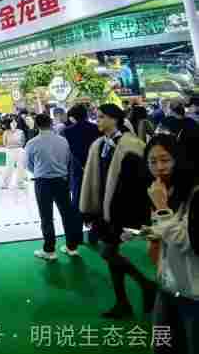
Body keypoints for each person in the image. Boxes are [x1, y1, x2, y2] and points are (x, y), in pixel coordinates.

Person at [80, 104, 157, 319]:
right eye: (97, 116)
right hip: (104, 211)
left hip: (123, 212)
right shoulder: (99, 145)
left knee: (108, 253)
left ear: (114, 119)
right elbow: (94, 179)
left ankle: (146, 286)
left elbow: (138, 186)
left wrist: (130, 218)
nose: (97, 120)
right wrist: (91, 209)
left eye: (101, 117)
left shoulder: (132, 146)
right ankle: (124, 302)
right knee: (111, 255)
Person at [143, 134, 199, 353]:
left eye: (165, 160)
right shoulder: (166, 189)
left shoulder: (194, 193)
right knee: (162, 344)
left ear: (178, 159)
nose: (159, 167)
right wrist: (153, 232)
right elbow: (170, 230)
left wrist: (161, 208)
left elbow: (188, 241)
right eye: (152, 161)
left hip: (193, 291)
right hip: (168, 284)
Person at [25, 114, 83, 261]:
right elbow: (67, 160)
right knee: (67, 214)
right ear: (51, 124)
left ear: (36, 125)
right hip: (61, 181)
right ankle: (72, 247)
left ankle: (49, 251)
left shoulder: (32, 143)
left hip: (42, 182)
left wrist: (40, 171)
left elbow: (29, 165)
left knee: (46, 217)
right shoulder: (63, 141)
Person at [63, 105, 100, 223]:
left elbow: (66, 152)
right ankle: (95, 226)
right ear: (86, 114)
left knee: (77, 195)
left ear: (73, 117)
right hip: (95, 164)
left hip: (76, 166)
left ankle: (77, 225)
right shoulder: (96, 128)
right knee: (95, 194)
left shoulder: (67, 131)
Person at [1, 117, 27, 190]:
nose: (14, 123)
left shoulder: (20, 131)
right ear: (9, 124)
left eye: (15, 122)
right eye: (12, 122)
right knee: (9, 167)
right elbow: (4, 143)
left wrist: (18, 146)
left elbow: (23, 141)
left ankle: (20, 183)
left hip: (20, 151)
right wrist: (11, 146)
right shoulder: (6, 132)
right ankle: (5, 183)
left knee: (21, 167)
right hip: (10, 151)